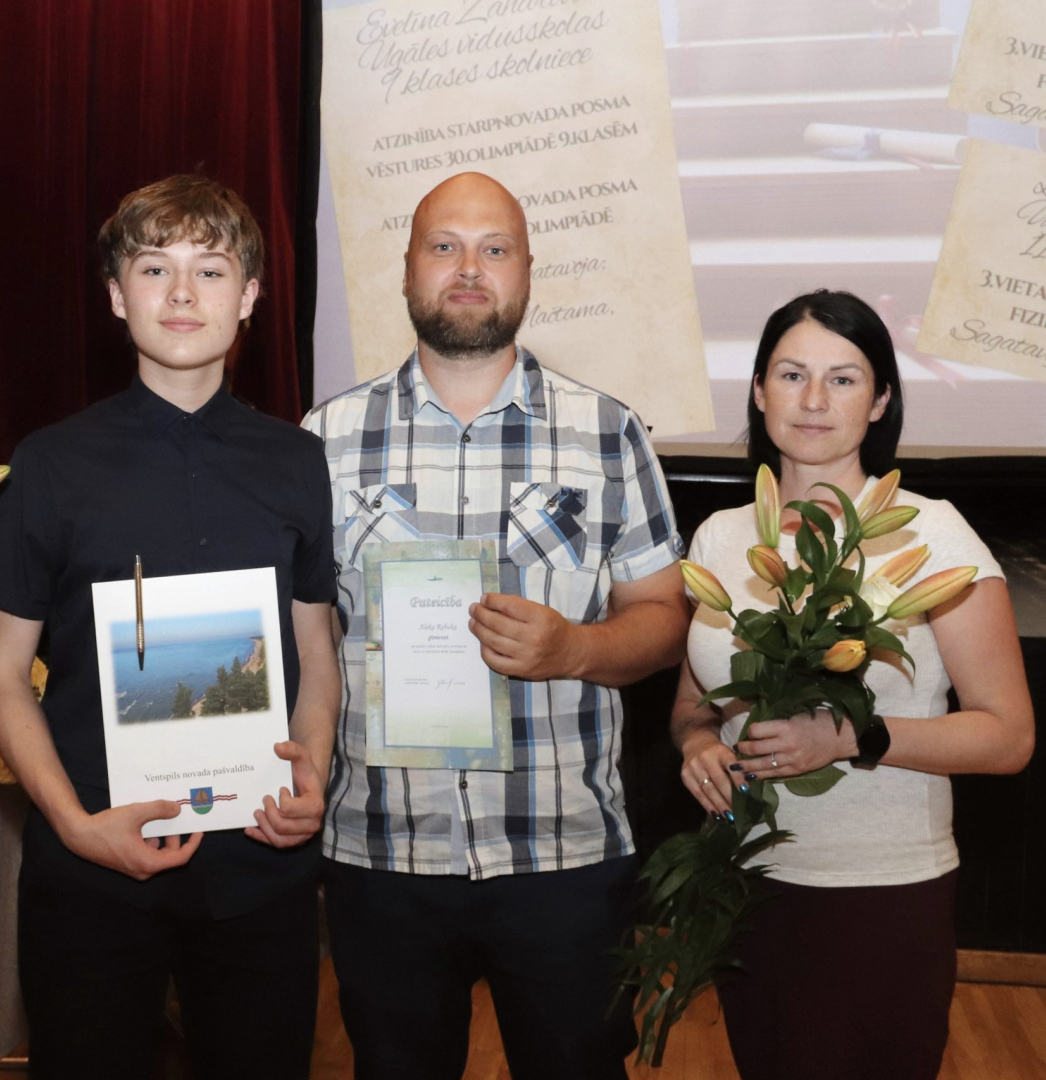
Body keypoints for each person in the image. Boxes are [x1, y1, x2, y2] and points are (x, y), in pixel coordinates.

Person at [302, 171, 691, 1078]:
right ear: (407, 270)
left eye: (494, 248)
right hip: (381, 850)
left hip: (562, 852)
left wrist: (577, 647)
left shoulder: (607, 433)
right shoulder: (324, 438)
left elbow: (664, 618)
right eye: (444, 247)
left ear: (526, 271)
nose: (469, 269)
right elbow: (304, 637)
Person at [0, 174, 340, 1079]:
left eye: (210, 270)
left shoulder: (298, 462)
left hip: (260, 863)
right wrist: (73, 825)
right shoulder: (49, 465)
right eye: (153, 268)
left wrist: (314, 770)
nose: (181, 293)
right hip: (91, 867)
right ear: (115, 295)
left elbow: (315, 652)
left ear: (248, 298)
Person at [671, 290, 1035, 1080]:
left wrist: (849, 737)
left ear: (879, 403)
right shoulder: (722, 537)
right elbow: (695, 708)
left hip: (879, 893)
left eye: (842, 379)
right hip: (746, 885)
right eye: (791, 374)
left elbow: (1008, 736)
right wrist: (698, 743)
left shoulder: (932, 534)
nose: (813, 399)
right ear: (758, 391)